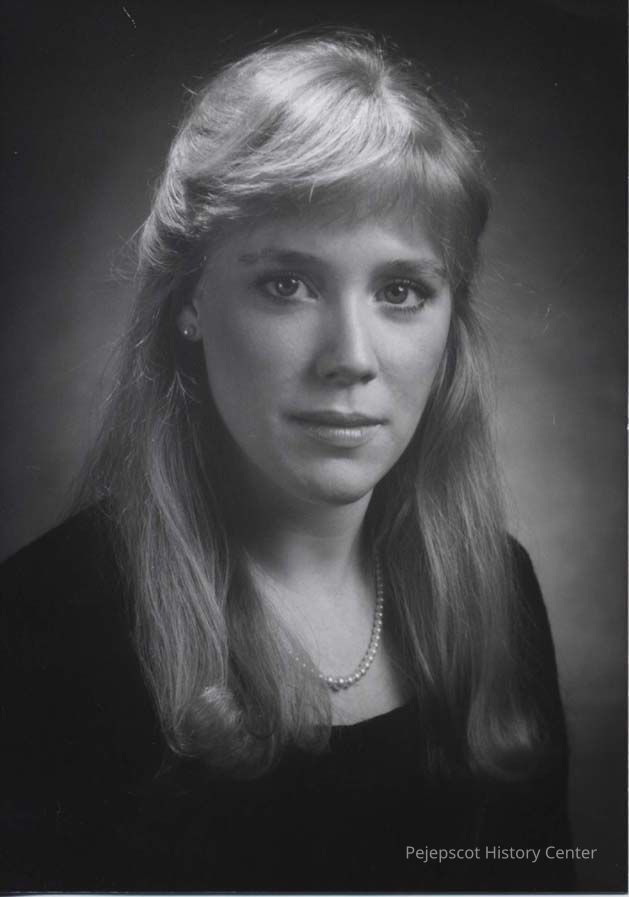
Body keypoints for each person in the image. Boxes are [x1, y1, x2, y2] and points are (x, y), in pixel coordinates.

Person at [0, 31, 574, 892]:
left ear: (449, 322)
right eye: (287, 284)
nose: (350, 357)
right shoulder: (40, 621)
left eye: (400, 291)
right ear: (190, 300)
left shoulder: (502, 590)